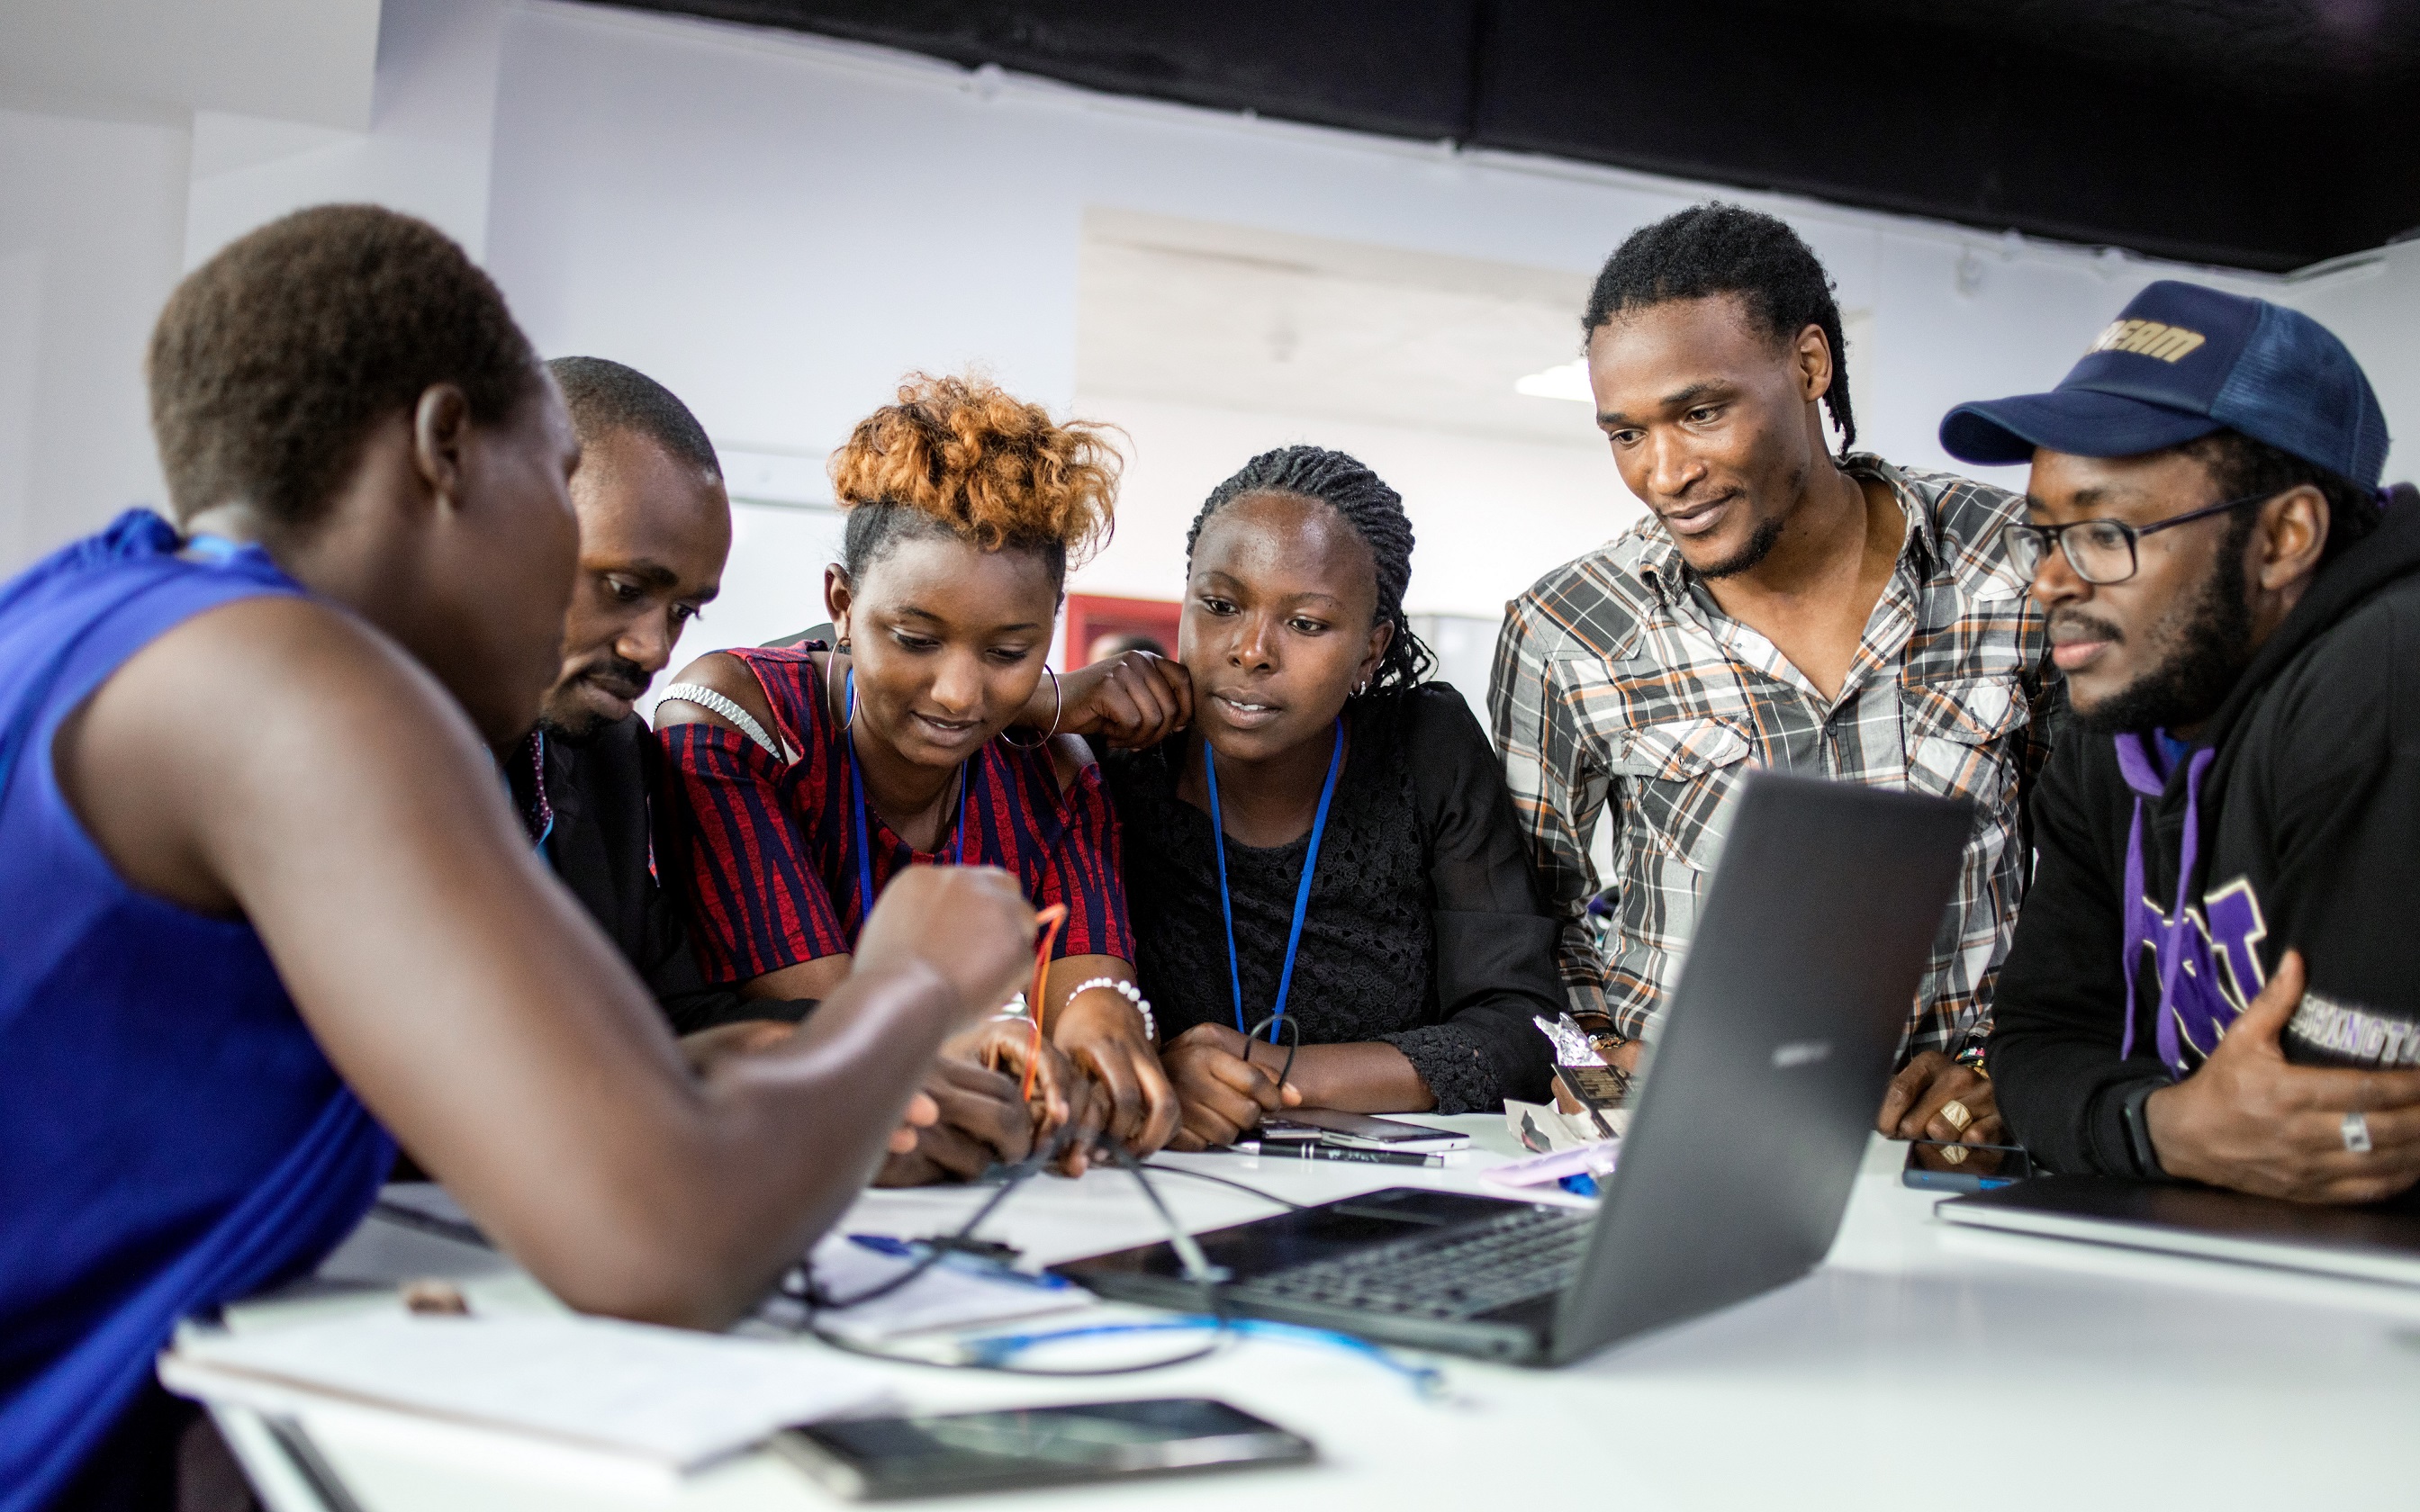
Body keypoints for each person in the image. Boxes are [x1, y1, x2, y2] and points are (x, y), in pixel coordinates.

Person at [0, 206, 1038, 1511]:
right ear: (446, 448)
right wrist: (908, 985)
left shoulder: (84, 607)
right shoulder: (294, 682)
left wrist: (666, 1076)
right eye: (559, 482)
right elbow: (671, 1242)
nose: (648, 643)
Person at [1491, 203, 2055, 1148]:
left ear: (1810, 366)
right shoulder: (1568, 629)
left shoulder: (2016, 569)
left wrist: (2015, 1064)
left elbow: (2103, 870)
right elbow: (1524, 911)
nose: (1665, 473)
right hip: (1691, 1137)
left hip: (1956, 1141)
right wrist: (1590, 1045)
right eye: (1626, 435)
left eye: (1701, 413)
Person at [1943, 280, 2420, 1203]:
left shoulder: (2386, 681)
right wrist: (2164, 1126)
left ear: (2283, 538)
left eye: (2104, 532)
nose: (2049, 582)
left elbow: (2335, 1147)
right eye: (2044, 537)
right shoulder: (2116, 715)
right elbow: (2035, 1046)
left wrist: (2134, 1122)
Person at [655, 374, 1180, 1168]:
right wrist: (997, 1043)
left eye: (1009, 653)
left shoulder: (1057, 777)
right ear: (840, 601)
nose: (960, 695)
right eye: (914, 638)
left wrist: (1106, 1038)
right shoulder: (740, 726)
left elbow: (1090, 987)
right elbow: (829, 1029)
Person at [1106, 446, 1563, 1150]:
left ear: (1371, 652)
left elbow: (1520, 1031)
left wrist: (1272, 1075)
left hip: (1389, 1191)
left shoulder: (1425, 749)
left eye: (1308, 624)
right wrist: (1057, 706)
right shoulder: (1121, 762)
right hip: (1162, 1173)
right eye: (1221, 606)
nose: (1252, 650)